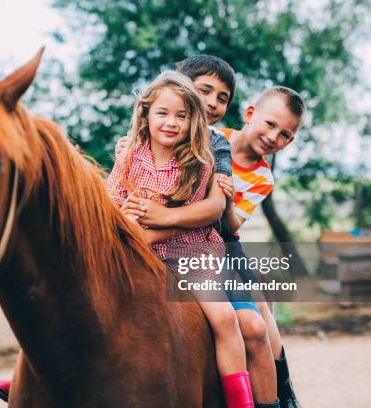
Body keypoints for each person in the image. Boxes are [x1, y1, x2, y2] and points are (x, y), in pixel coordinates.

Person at [119, 57, 302, 408]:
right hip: (171, 232)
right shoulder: (194, 136)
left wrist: (175, 214)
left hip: (215, 242)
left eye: (222, 98)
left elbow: (222, 219)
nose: (213, 103)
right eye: (204, 93)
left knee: (257, 321)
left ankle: (282, 393)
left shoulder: (221, 151)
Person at [108, 70, 254, 408]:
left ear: (194, 121)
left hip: (188, 252)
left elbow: (184, 222)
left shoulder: (199, 162)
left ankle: (240, 401)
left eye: (182, 116)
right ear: (145, 114)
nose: (171, 122)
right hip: (136, 247)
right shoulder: (129, 155)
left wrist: (142, 236)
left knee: (223, 318)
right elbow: (111, 200)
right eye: (163, 113)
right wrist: (124, 213)